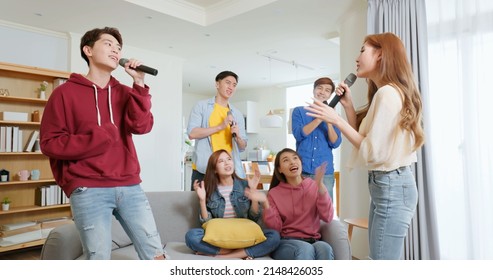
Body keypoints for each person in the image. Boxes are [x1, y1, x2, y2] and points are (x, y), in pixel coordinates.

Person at [39, 27, 166, 260]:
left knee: (156, 254)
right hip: (88, 188)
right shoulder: (64, 93)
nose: (116, 50)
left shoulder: (126, 92)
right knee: (99, 260)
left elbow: (142, 126)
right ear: (88, 50)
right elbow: (50, 143)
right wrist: (97, 137)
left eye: (118, 48)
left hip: (129, 186)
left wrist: (139, 84)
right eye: (108, 44)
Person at [305, 32, 425, 260]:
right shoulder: (386, 93)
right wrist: (348, 108)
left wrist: (335, 119)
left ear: (380, 54)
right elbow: (366, 139)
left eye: (362, 50)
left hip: (391, 185)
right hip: (387, 185)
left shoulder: (388, 93)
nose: (357, 57)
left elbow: (373, 151)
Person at [185, 149, 280, 259]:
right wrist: (202, 200)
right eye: (221, 161)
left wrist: (253, 191)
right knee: (191, 236)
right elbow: (207, 223)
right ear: (214, 169)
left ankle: (223, 255)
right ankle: (242, 253)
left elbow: (253, 219)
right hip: (221, 236)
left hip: (245, 235)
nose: (227, 163)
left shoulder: (245, 185)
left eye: (229, 159)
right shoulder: (209, 190)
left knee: (274, 236)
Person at [262, 148, 335, 260]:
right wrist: (266, 205)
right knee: (305, 248)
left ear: (301, 162)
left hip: (313, 240)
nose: (292, 162)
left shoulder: (314, 186)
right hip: (286, 243)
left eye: (295, 158)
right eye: (286, 160)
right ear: (279, 169)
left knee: (325, 248)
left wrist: (320, 186)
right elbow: (275, 228)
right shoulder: (274, 193)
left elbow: (328, 217)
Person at [187, 71, 247, 189]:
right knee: (200, 206)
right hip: (204, 170)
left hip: (229, 172)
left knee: (229, 207)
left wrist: (238, 137)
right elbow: (192, 133)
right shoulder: (201, 106)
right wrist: (220, 126)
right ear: (217, 84)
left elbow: (242, 147)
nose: (231, 87)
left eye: (234, 85)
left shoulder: (237, 114)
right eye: (228, 83)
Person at [291, 77, 342, 200]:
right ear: (314, 90)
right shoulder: (299, 111)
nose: (322, 92)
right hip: (302, 171)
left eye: (327, 90)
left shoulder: (335, 116)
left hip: (325, 174)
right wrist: (320, 117)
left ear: (330, 95)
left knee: (325, 212)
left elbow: (335, 143)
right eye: (320, 88)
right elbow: (299, 134)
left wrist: (329, 120)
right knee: (301, 209)